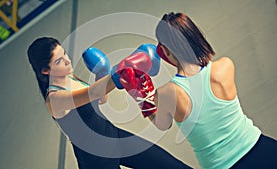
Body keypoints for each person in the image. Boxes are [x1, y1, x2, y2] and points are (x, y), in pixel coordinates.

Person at [114, 12, 277, 169]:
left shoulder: (166, 93)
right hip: (264, 149)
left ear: (165, 51)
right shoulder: (225, 66)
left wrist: (141, 96)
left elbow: (162, 124)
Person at [27, 36, 192, 169]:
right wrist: (121, 72)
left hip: (113, 136)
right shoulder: (55, 99)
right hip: (96, 159)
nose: (68, 61)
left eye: (65, 54)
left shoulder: (69, 77)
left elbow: (100, 99)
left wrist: (101, 72)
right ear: (45, 71)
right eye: (59, 61)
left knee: (170, 165)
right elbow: (94, 92)